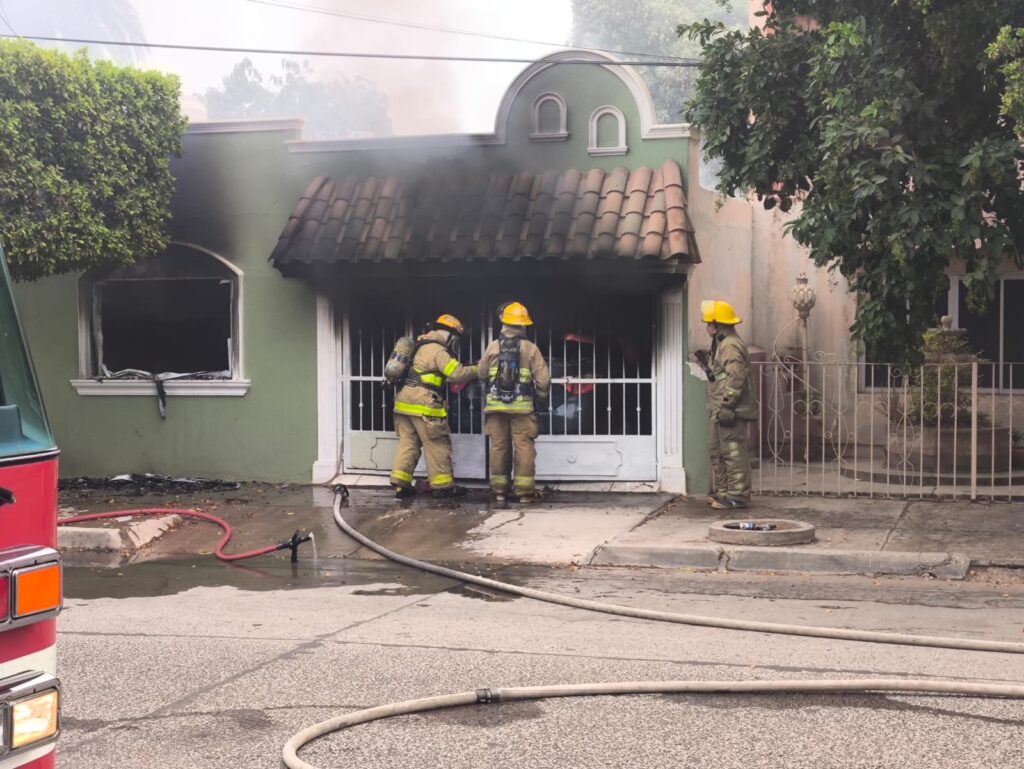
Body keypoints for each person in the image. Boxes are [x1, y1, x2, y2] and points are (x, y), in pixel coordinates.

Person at [390, 314, 478, 499]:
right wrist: (477, 369)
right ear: (450, 335)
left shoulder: (419, 344)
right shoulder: (438, 350)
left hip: (403, 403)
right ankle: (443, 487)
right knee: (437, 444)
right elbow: (457, 374)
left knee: (408, 444)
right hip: (424, 404)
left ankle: (400, 485)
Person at [478, 301, 551, 503]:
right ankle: (525, 493)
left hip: (495, 408)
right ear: (523, 325)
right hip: (522, 409)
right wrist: (541, 399)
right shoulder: (531, 348)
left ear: (504, 322)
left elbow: (481, 373)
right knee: (523, 447)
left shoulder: (493, 346)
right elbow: (544, 380)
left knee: (499, 447)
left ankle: (499, 491)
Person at [698, 300, 757, 510]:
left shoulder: (730, 344)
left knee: (733, 452)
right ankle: (723, 493)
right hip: (719, 408)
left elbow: (736, 376)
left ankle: (738, 497)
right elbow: (722, 375)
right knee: (717, 451)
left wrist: (728, 404)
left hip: (730, 409)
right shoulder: (721, 343)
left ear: (717, 325)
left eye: (709, 323)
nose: (707, 327)